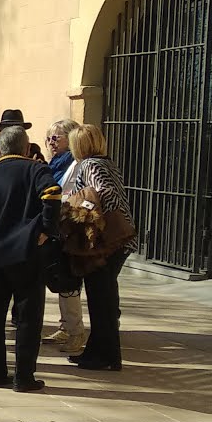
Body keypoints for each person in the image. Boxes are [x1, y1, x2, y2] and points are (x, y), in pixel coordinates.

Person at [0, 125, 62, 393]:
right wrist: (46, 230)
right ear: (26, 147)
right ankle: (24, 376)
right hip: (26, 253)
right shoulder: (36, 170)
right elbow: (53, 194)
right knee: (28, 317)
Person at [64, 124, 136, 372]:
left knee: (100, 300)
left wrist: (79, 207)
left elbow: (100, 194)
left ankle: (105, 356)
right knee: (103, 298)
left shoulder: (89, 165)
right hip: (119, 239)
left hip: (105, 241)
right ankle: (97, 351)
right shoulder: (107, 163)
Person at [44, 118, 86, 353]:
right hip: (58, 227)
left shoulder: (74, 164)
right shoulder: (56, 163)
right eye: (49, 138)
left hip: (68, 229)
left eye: (56, 138)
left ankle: (76, 331)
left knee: (69, 282)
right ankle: (66, 326)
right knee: (61, 280)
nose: (51, 143)